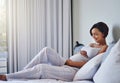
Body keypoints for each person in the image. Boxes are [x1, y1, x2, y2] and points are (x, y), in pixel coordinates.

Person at [0, 22, 109, 81]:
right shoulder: (91, 44)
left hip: (73, 69)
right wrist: (81, 52)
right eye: (92, 34)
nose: (93, 37)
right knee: (46, 50)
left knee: (41, 68)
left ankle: (8, 77)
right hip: (67, 63)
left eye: (96, 34)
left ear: (103, 33)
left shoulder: (104, 48)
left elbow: (91, 63)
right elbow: (85, 55)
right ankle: (24, 72)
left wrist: (69, 62)